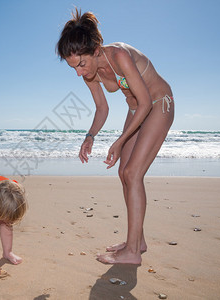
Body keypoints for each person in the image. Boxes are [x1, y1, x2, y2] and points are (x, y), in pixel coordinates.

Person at [56, 9, 174, 265]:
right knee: (124, 173)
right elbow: (102, 108)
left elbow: (145, 103)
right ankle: (137, 241)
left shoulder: (119, 56)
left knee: (133, 173)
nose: (78, 72)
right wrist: (90, 136)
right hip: (137, 110)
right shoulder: (89, 72)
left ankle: (132, 252)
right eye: (72, 67)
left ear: (96, 50)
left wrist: (120, 140)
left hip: (158, 103)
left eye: (80, 64)